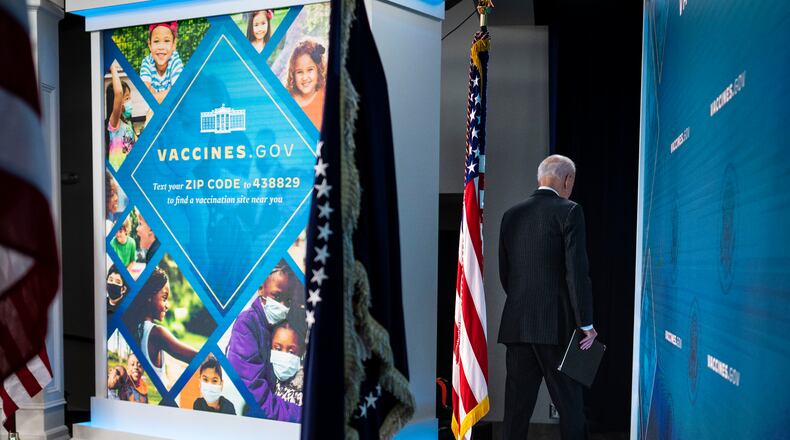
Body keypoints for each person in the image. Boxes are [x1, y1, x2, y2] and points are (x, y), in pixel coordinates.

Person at [498, 154, 597, 440]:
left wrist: (522, 304)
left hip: (517, 325)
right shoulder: (570, 211)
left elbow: (506, 274)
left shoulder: (510, 215)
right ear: (567, 180)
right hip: (558, 328)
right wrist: (586, 323)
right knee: (571, 409)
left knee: (515, 412)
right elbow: (577, 274)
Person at [225, 261, 301, 422]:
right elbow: (255, 394)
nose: (282, 306)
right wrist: (302, 414)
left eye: (287, 300)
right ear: (261, 289)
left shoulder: (281, 325)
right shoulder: (246, 324)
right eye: (277, 296)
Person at [125, 267, 197, 386]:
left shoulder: (134, 326)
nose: (167, 305)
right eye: (164, 298)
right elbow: (197, 357)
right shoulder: (156, 333)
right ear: (149, 296)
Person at [286, 39, 326, 129]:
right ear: (293, 74)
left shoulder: (326, 95)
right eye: (299, 72)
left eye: (310, 70)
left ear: (318, 70)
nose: (305, 77)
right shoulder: (288, 100)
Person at [140, 22, 183, 104]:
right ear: (150, 45)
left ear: (174, 44)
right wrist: (169, 92)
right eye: (156, 41)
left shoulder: (175, 61)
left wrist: (153, 95)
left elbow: (178, 92)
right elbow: (144, 93)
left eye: (166, 41)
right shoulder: (147, 62)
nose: (161, 47)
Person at [106, 63, 136, 170]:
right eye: (127, 98)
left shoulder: (128, 124)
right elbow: (118, 93)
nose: (130, 102)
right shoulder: (115, 123)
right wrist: (113, 68)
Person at [270, 322, 303, 406]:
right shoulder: (264, 384)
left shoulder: (307, 395)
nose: (284, 356)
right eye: (278, 349)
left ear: (300, 354)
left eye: (291, 351)